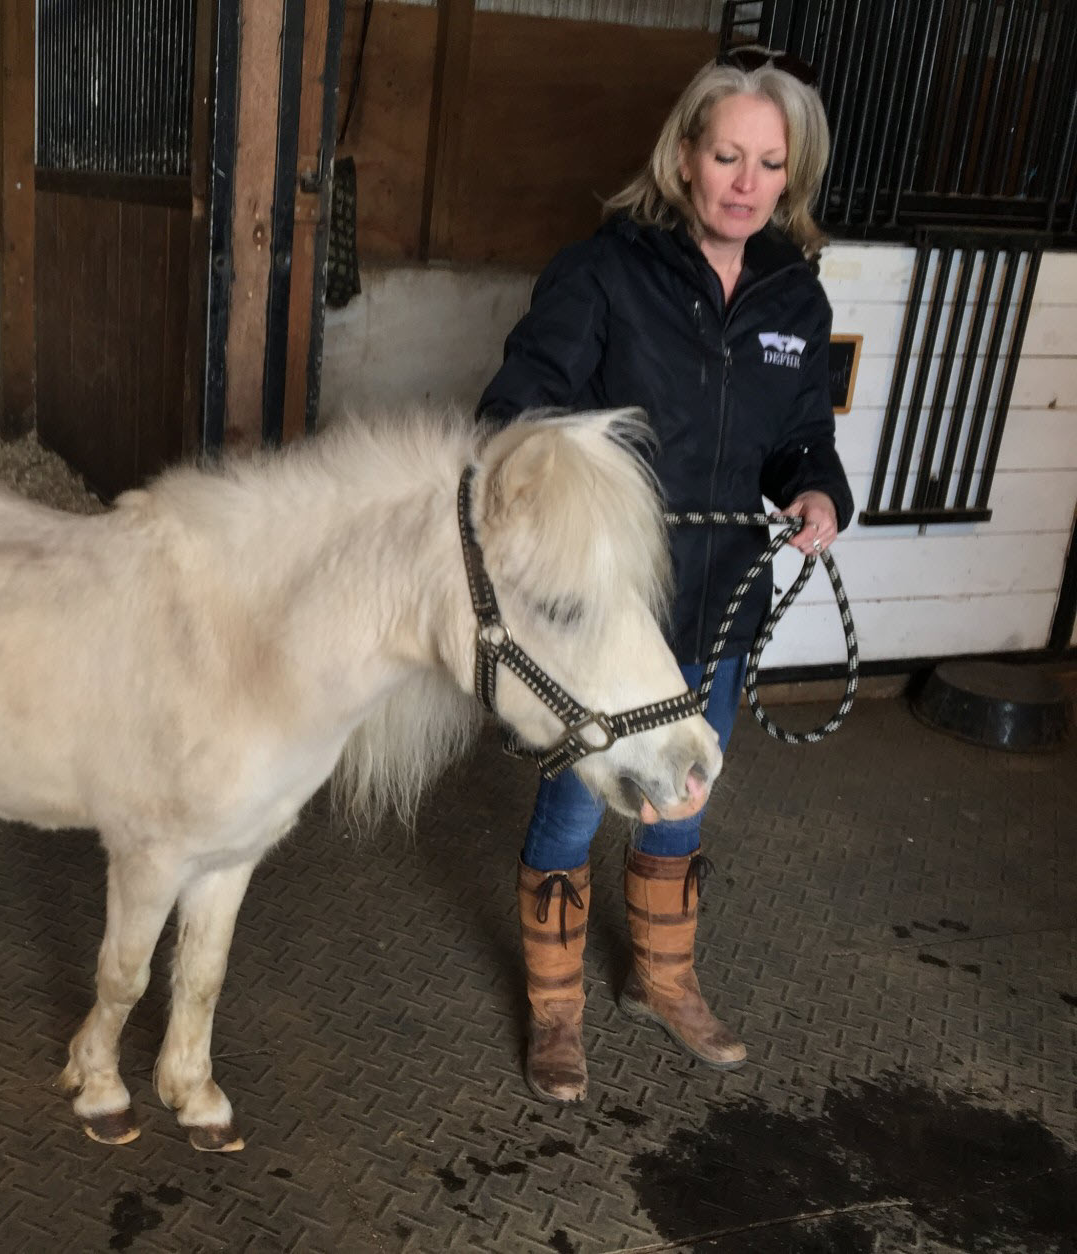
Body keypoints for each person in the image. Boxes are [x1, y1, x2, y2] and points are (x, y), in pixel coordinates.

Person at [476, 47, 854, 1104]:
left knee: (681, 794)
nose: (745, 181)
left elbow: (800, 441)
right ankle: (557, 1014)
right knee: (571, 812)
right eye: (726, 154)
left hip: (720, 602)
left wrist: (818, 492)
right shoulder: (601, 273)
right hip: (612, 614)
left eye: (768, 163)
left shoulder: (794, 294)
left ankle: (665, 977)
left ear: (792, 174)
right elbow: (517, 408)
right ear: (684, 156)